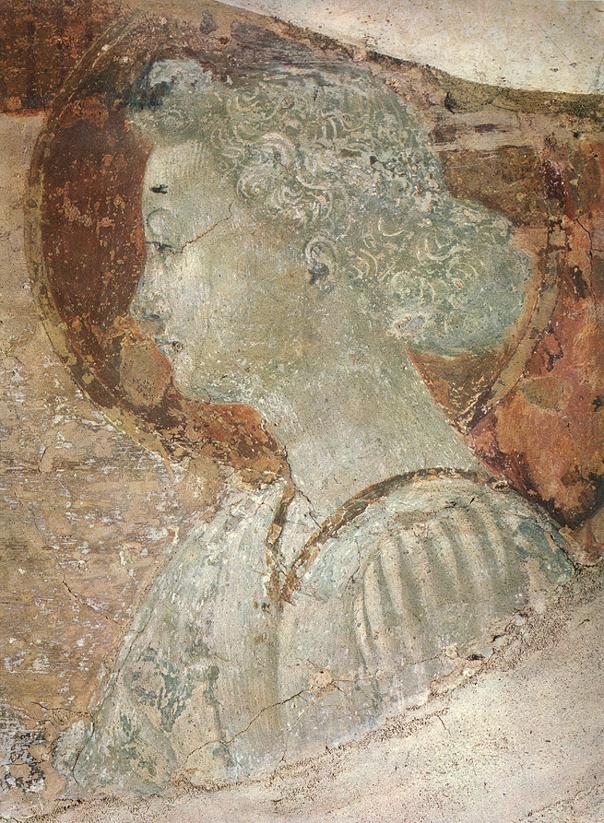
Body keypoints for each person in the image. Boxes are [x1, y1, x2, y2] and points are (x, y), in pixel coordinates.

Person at [59, 57, 572, 794]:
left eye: (167, 245)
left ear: (318, 252)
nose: (141, 300)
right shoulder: (211, 567)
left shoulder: (466, 558)